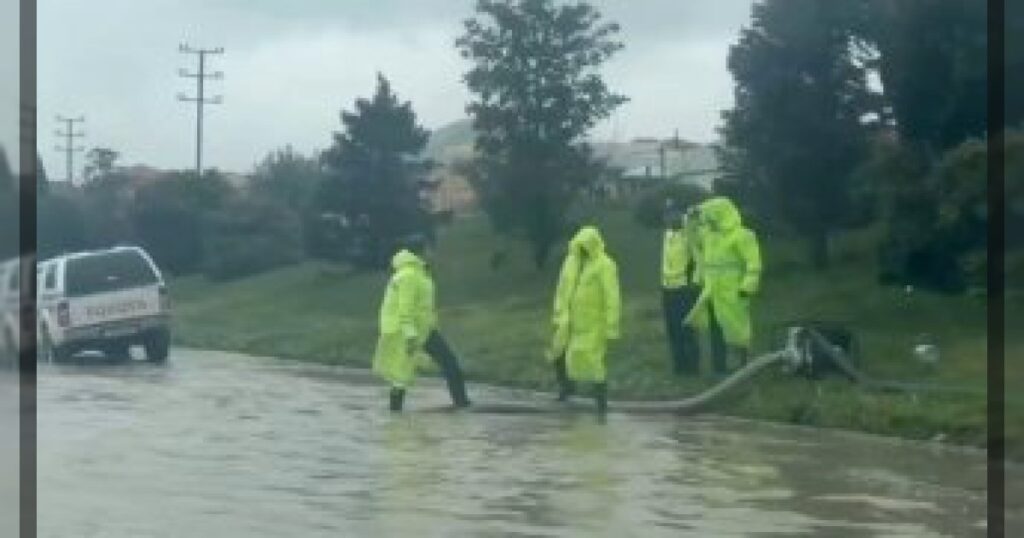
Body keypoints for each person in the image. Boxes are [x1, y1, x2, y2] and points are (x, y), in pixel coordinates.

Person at [372, 235, 471, 411]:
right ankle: (461, 404)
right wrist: (410, 335)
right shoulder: (409, 275)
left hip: (422, 329)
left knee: (405, 372)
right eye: (431, 248)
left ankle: (395, 413)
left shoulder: (416, 273)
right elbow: (405, 308)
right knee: (404, 373)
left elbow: (422, 307)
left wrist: (430, 325)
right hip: (408, 331)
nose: (434, 253)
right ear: (422, 250)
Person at [547, 226, 621, 415]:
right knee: (559, 353)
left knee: (594, 361)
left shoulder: (605, 265)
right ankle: (566, 391)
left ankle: (600, 402)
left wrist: (611, 326)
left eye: (585, 246)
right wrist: (558, 314)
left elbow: (612, 296)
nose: (582, 250)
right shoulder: (571, 263)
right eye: (579, 247)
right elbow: (561, 289)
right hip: (569, 322)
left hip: (594, 323)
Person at [694, 197, 762, 376]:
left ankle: (744, 365)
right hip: (712, 290)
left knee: (738, 327)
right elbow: (691, 232)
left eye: (711, 217)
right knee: (716, 329)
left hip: (734, 290)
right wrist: (694, 213)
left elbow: (753, 263)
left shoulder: (743, 235)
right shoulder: (709, 235)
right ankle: (720, 367)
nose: (708, 221)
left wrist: (747, 286)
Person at [660, 199, 702, 375]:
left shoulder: (689, 232)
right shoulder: (668, 234)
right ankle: (679, 366)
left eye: (672, 213)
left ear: (680, 213)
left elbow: (698, 220)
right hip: (667, 289)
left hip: (685, 289)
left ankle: (692, 367)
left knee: (687, 329)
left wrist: (691, 217)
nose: (668, 217)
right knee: (673, 330)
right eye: (666, 214)